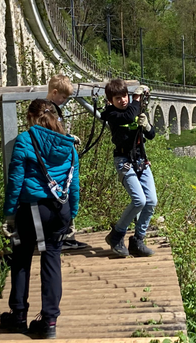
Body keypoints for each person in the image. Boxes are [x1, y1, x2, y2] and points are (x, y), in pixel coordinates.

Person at [0, 99, 79, 339]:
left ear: (31, 118)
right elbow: (74, 183)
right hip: (59, 209)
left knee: (22, 258)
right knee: (52, 259)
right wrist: (72, 213)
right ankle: (49, 321)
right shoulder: (69, 144)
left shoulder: (25, 140)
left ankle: (19, 316)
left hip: (34, 208)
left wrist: (9, 214)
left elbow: (15, 181)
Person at [100, 79, 157, 257]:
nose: (123, 100)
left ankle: (138, 239)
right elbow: (127, 116)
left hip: (140, 159)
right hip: (124, 159)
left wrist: (146, 126)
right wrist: (137, 98)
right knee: (139, 200)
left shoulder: (134, 109)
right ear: (110, 101)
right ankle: (117, 234)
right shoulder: (112, 114)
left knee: (151, 201)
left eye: (124, 96)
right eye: (118, 98)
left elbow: (152, 135)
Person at [46, 74, 88, 250]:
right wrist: (68, 139)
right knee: (64, 197)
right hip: (58, 165)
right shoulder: (49, 111)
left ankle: (67, 236)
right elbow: (52, 137)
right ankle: (65, 238)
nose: (64, 101)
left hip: (62, 161)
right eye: (63, 97)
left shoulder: (52, 109)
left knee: (67, 196)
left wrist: (67, 138)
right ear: (55, 92)